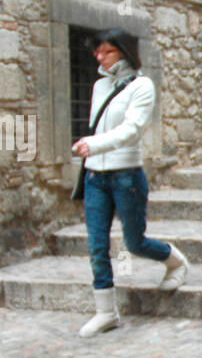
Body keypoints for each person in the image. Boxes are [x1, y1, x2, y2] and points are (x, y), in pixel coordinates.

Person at [72, 29, 188, 337]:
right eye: (98, 51)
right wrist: (91, 152)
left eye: (107, 51)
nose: (100, 57)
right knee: (97, 245)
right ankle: (106, 312)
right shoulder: (99, 86)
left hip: (127, 177)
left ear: (125, 52)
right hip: (96, 176)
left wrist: (94, 145)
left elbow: (133, 129)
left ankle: (175, 262)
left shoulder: (142, 86)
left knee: (135, 243)